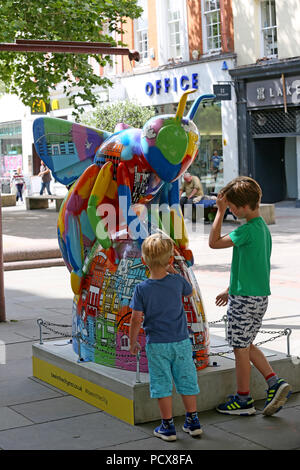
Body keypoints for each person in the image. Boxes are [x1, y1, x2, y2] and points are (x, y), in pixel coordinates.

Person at [209, 176, 291, 416]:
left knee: (239, 348)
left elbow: (214, 242)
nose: (232, 211)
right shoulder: (262, 229)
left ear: (244, 206)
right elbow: (253, 266)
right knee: (246, 344)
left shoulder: (245, 231)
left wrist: (220, 211)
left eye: (233, 207)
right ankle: (274, 383)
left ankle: (243, 399)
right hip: (257, 296)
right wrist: (230, 288)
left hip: (245, 300)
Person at [129, 233, 202, 441]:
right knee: (186, 380)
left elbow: (135, 319)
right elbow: (189, 293)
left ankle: (168, 426)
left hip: (157, 345)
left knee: (162, 384)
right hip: (181, 342)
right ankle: (193, 421)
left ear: (144, 261)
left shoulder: (141, 289)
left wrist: (133, 342)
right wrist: (172, 271)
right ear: (170, 260)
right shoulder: (177, 282)